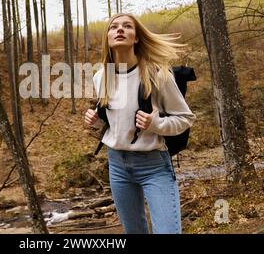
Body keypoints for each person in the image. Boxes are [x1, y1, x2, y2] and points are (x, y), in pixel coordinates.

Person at [84, 13, 196, 234]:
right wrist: (95, 122)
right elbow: (114, 123)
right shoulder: (101, 77)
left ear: (136, 37)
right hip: (117, 166)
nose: (119, 29)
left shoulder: (157, 74)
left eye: (127, 26)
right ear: (107, 37)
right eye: (113, 27)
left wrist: (156, 124)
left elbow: (186, 118)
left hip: (154, 166)